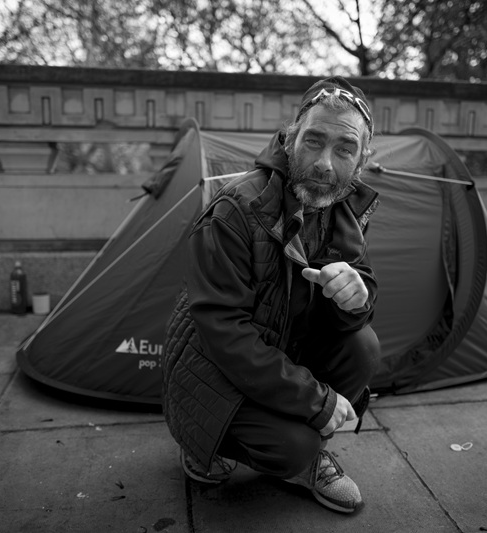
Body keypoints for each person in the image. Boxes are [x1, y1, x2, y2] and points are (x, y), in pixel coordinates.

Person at [161, 76, 381, 514]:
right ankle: (209, 441)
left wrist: (357, 298)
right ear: (289, 137)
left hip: (281, 350)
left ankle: (292, 435)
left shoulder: (344, 208)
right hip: (210, 366)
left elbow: (359, 293)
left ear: (360, 163)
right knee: (295, 446)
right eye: (313, 141)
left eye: (344, 149)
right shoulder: (235, 209)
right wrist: (318, 402)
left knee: (363, 346)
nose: (323, 164)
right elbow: (224, 333)